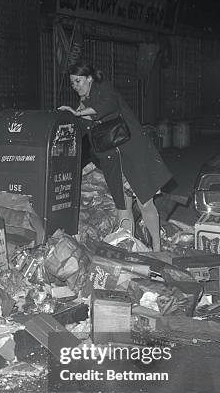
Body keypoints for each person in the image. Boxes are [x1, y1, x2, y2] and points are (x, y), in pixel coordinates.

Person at [58, 62, 172, 252]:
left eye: (78, 81)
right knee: (123, 206)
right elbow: (80, 130)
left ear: (89, 78)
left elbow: (108, 106)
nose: (75, 86)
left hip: (133, 155)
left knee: (145, 203)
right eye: (72, 83)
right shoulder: (83, 104)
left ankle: (157, 248)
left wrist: (78, 113)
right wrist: (63, 121)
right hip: (113, 161)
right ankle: (129, 249)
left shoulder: (104, 89)